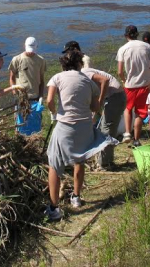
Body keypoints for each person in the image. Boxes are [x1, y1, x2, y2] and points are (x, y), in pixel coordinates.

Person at [44, 50, 117, 221]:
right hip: (84, 126)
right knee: (80, 160)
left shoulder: (57, 78)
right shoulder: (87, 80)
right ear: (79, 64)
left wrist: (54, 113)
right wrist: (96, 105)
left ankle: (54, 208)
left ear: (63, 64)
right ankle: (76, 197)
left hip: (65, 127)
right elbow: (94, 108)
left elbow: (49, 101)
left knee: (54, 164)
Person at [81, 63, 126, 169]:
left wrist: (100, 102)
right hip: (110, 97)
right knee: (101, 128)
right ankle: (103, 160)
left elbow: (105, 80)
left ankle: (105, 163)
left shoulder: (85, 74)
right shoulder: (81, 76)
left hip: (115, 97)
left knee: (107, 129)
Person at [117, 25, 150, 147]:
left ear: (126, 35)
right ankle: (136, 139)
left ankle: (127, 133)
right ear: (137, 34)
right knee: (140, 112)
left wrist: (123, 80)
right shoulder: (147, 47)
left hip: (130, 85)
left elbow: (119, 71)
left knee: (128, 109)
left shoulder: (123, 49)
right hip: (145, 84)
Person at [8, 36, 47, 101]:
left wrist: (41, 96)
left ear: (36, 47)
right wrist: (14, 93)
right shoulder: (16, 59)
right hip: (21, 97)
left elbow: (42, 80)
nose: (30, 52)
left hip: (36, 97)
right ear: (24, 46)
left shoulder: (41, 60)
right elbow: (11, 78)